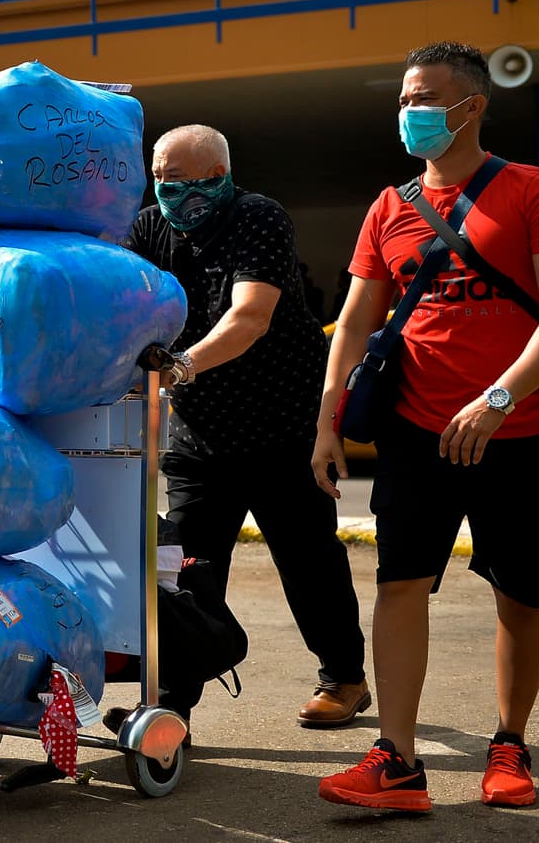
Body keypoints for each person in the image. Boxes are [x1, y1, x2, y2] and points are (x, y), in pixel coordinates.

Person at [314, 42, 539, 813]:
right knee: (400, 582)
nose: (411, 113)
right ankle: (398, 762)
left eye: (426, 99)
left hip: (525, 428)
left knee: (521, 594)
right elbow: (353, 322)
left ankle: (510, 742)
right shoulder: (388, 206)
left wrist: (500, 397)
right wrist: (328, 421)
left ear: (472, 107)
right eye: (405, 99)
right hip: (415, 429)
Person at [117, 124, 369, 740]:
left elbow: (250, 315)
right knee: (185, 567)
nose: (178, 194)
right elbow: (123, 305)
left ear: (223, 176)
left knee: (308, 560)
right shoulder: (150, 228)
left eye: (194, 182)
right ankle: (172, 702)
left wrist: (178, 367)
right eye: (165, 181)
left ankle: (344, 678)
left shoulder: (258, 217)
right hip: (200, 436)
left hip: (285, 426)